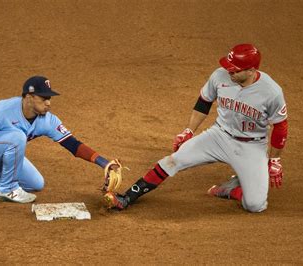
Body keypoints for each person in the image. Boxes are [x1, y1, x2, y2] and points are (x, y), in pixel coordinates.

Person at [104, 44, 288, 213]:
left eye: (235, 69)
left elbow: (280, 126)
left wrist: (274, 160)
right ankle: (127, 197)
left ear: (251, 70)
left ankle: (232, 189)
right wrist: (189, 130)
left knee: (256, 205)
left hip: (251, 147)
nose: (228, 71)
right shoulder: (220, 76)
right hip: (219, 136)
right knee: (173, 161)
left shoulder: (271, 92)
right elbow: (204, 102)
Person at [0, 76, 118, 203]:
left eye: (49, 98)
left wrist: (104, 163)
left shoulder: (48, 120)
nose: (48, 103)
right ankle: (7, 189)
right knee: (17, 136)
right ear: (29, 98)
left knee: (35, 183)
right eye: (44, 98)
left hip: (5, 151)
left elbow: (73, 145)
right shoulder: (1, 110)